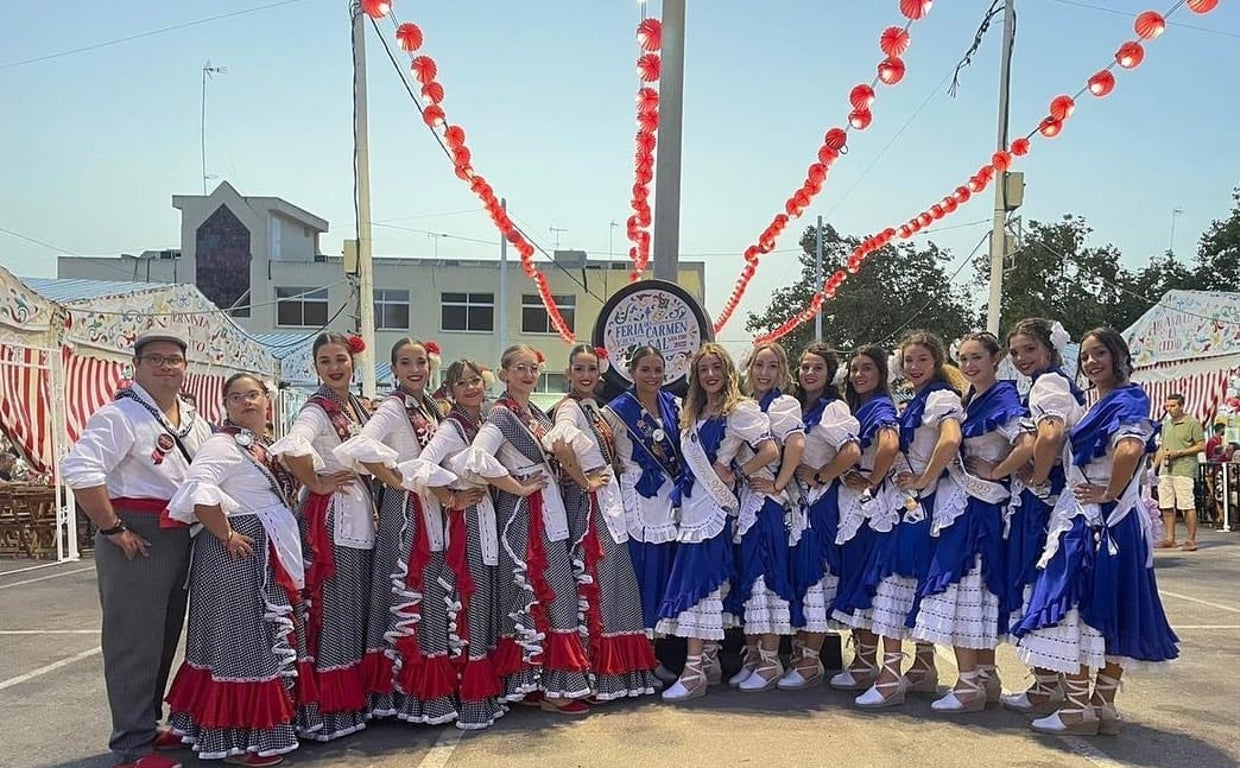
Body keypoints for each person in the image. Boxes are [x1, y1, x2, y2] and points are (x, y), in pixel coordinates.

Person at [1012, 327, 1179, 736]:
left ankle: (1076, 708)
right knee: (1111, 606)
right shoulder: (1101, 401)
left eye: (1099, 353)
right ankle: (1101, 706)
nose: (1091, 362)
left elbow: (1130, 447)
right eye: (1085, 356)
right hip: (1107, 520)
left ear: (1118, 355)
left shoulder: (1126, 399)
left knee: (1078, 606)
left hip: (1097, 521)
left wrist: (1110, 491)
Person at [61, 332, 212, 768]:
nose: (166, 367)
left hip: (182, 529)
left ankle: (145, 723)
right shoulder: (120, 415)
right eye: (155, 360)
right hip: (139, 530)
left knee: (164, 635)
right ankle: (130, 746)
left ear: (186, 368)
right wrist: (112, 528)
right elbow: (81, 469)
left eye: (174, 360)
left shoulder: (192, 419)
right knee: (133, 641)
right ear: (137, 366)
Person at [164, 374, 309, 767]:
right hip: (238, 557)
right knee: (244, 642)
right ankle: (246, 738)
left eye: (253, 395)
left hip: (259, 553)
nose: (246, 402)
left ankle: (214, 726)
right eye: (237, 397)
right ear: (225, 404)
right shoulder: (221, 444)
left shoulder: (260, 443)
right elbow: (198, 490)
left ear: (267, 400)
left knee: (246, 638)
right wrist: (227, 534)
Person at [335, 338, 474, 724]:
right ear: (394, 369)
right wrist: (398, 482)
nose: (415, 369)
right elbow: (361, 447)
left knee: (431, 591)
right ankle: (414, 695)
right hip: (409, 512)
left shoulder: (427, 405)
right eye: (405, 363)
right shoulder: (394, 406)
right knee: (416, 591)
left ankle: (426, 689)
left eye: (420, 362)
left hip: (430, 506)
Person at [460, 344, 593, 714]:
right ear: (504, 373)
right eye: (520, 368)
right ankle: (552, 689)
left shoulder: (534, 412)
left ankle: (538, 681)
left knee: (548, 594)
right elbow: (477, 458)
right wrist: (517, 486)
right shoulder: (501, 416)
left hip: (547, 512)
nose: (528, 375)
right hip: (523, 517)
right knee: (540, 593)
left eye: (533, 368)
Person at [404, 359, 529, 729]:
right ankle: (470, 699)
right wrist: (452, 499)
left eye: (475, 380)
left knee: (484, 601)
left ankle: (485, 692)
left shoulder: (484, 420)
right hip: (466, 523)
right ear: (452, 391)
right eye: (462, 384)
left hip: (485, 516)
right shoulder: (451, 426)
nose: (471, 388)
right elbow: (421, 467)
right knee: (470, 601)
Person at [910, 332, 1026, 713]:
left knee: (964, 589)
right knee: (975, 590)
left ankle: (968, 683)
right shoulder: (971, 398)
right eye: (963, 358)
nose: (969, 365)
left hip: (976, 508)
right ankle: (986, 677)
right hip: (965, 505)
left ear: (995, 359)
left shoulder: (1003, 397)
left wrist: (998, 472)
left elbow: (1027, 442)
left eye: (977, 357)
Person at [657, 343, 778, 702]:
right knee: (701, 586)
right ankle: (704, 664)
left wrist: (738, 472)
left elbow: (770, 450)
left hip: (714, 510)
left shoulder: (739, 410)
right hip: (691, 508)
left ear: (727, 372)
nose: (710, 375)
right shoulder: (693, 411)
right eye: (703, 369)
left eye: (716, 368)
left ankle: (694, 671)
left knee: (701, 587)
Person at [269, 332, 373, 741]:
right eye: (326, 361)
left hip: (360, 516)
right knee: (335, 611)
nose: (334, 367)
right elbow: (294, 446)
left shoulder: (354, 406)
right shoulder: (316, 409)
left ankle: (350, 701)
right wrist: (315, 480)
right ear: (315, 368)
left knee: (353, 608)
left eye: (340, 359)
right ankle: (327, 711)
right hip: (334, 521)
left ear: (353, 363)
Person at [853, 331, 963, 709]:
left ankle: (890, 678)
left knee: (893, 584)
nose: (914, 367)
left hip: (919, 505)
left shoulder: (939, 397)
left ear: (935, 362)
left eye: (921, 360)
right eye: (909, 361)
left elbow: (950, 440)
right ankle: (923, 667)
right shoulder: (921, 398)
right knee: (909, 584)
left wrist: (923, 478)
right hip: (911, 504)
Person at [549, 345, 658, 700]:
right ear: (568, 373)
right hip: (590, 507)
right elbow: (561, 441)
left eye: (591, 370)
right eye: (579, 369)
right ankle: (594, 673)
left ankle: (616, 671)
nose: (585, 376)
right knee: (596, 584)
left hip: (607, 505)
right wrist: (583, 481)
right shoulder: (569, 407)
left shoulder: (591, 408)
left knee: (613, 583)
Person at [993, 317, 1087, 716]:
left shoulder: (1048, 384)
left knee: (1037, 585)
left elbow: (1048, 435)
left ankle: (1049, 686)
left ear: (1049, 349)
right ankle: (1048, 683)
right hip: (1054, 496)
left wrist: (1037, 476)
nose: (1021, 358)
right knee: (1040, 586)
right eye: (1015, 352)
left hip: (1045, 501)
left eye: (1028, 349)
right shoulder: (1056, 383)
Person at [780, 343, 860, 690]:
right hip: (797, 501)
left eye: (817, 368)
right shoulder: (797, 407)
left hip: (820, 501)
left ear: (829, 374)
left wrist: (822, 475)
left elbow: (852, 450)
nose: (809, 373)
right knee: (800, 573)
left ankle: (811, 661)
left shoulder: (832, 409)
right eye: (804, 367)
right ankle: (800, 654)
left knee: (816, 575)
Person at [727, 342, 806, 692]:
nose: (764, 372)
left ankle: (771, 660)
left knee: (766, 576)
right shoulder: (746, 405)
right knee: (749, 576)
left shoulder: (782, 404)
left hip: (767, 503)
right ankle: (755, 656)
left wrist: (779, 483)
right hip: (746, 500)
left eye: (772, 366)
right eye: (759, 365)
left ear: (782, 372)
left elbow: (797, 444)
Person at [603, 346, 682, 683]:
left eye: (658, 370)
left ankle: (657, 652)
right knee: (640, 573)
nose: (652, 376)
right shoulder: (616, 411)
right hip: (636, 494)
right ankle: (638, 655)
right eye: (645, 369)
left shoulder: (674, 406)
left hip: (670, 497)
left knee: (663, 572)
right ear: (632, 371)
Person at [830, 345, 900, 693]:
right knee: (859, 579)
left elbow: (889, 445)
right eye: (854, 369)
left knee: (869, 583)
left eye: (867, 369)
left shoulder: (880, 407)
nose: (859, 375)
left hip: (870, 508)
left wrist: (871, 480)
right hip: (857, 505)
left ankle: (869, 665)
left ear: (881, 374)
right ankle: (863, 661)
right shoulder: (862, 407)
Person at [1155, 393, 1206, 551]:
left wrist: (1180, 452)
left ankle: (1191, 540)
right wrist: (1153, 469)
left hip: (1184, 468)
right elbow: (1162, 448)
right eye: (1167, 406)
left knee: (1186, 504)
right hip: (1166, 468)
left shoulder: (1192, 423)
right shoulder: (1166, 424)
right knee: (1166, 505)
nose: (1170, 409)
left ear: (1181, 405)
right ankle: (1170, 538)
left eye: (1173, 406)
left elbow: (1201, 445)